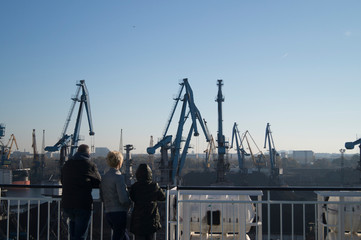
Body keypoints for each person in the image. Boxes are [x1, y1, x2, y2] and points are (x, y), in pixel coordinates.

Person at [61, 144, 101, 240]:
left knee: (73, 233)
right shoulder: (89, 164)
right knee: (81, 235)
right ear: (87, 153)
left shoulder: (67, 164)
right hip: (82, 204)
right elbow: (98, 181)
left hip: (67, 204)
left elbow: (62, 180)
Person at [129, 163, 166, 240]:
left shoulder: (135, 187)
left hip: (138, 221)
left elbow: (132, 197)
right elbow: (163, 197)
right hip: (151, 220)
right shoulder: (154, 186)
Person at [100, 151, 131, 240]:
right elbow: (123, 199)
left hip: (108, 211)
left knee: (122, 236)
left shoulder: (105, 177)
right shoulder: (118, 177)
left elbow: (102, 195)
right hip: (119, 212)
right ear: (119, 162)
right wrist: (129, 204)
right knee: (120, 235)